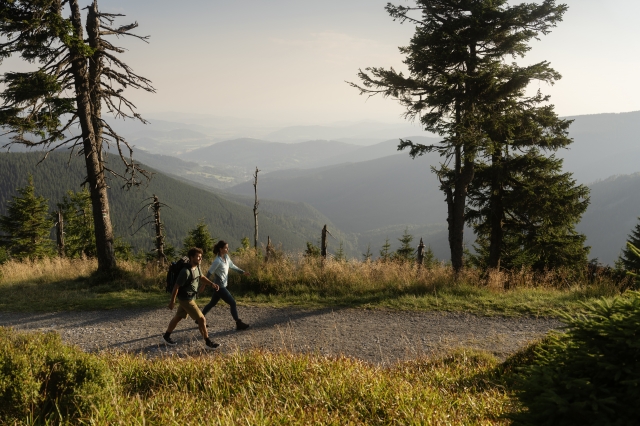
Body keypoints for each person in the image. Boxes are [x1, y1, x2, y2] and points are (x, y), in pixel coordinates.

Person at [162, 247, 221, 349]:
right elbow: (176, 287)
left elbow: (201, 277)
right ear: (191, 257)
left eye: (201, 257)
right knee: (201, 319)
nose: (200, 259)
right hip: (186, 299)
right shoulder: (185, 272)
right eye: (198, 257)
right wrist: (172, 302)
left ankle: (166, 336)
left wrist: (212, 284)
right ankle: (208, 342)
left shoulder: (197, 267)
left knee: (178, 317)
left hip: (190, 298)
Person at [201, 240, 251, 330]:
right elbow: (209, 273)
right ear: (221, 249)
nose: (228, 249)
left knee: (212, 303)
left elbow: (233, 266)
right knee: (232, 303)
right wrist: (204, 285)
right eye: (226, 248)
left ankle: (199, 319)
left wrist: (243, 272)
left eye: (227, 247)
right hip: (219, 286)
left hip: (220, 285)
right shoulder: (217, 261)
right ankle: (238, 323)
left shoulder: (226, 258)